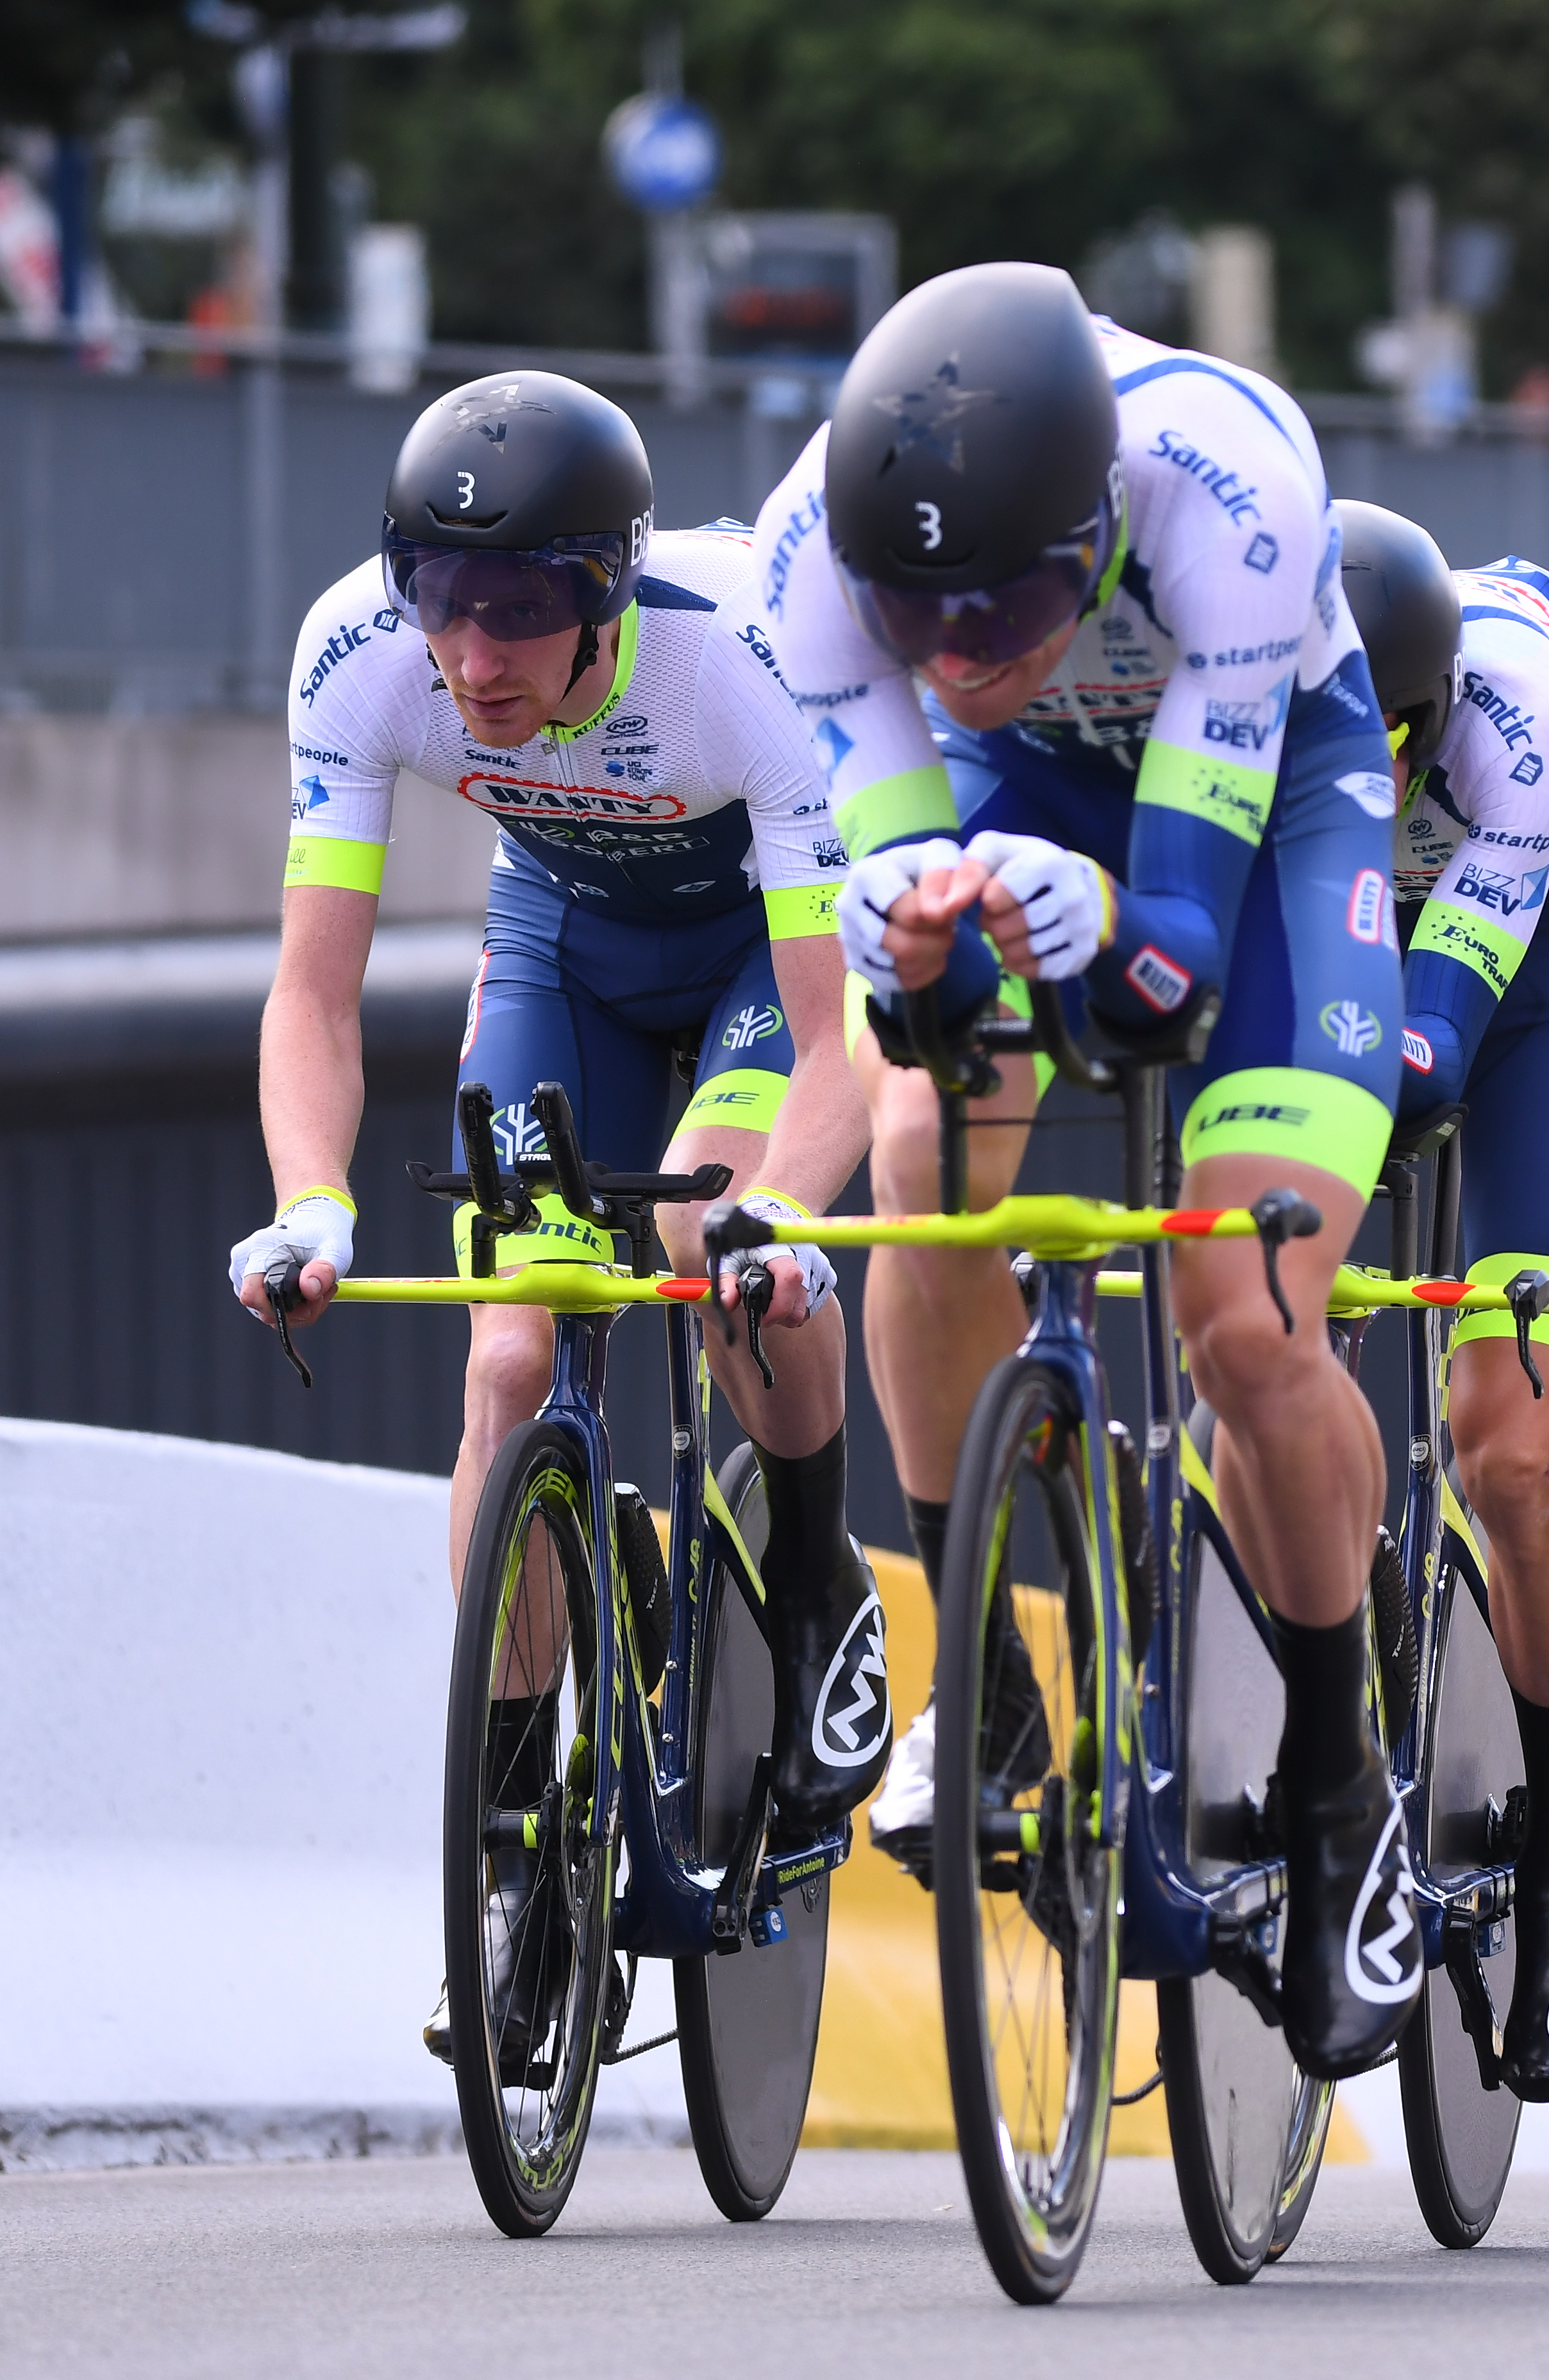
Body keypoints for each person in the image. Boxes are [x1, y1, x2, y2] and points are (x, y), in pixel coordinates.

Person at [726, 261, 1416, 2079]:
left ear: (1096, 523)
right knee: (918, 1146)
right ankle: (995, 1681)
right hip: (1020, 787)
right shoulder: (809, 556)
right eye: (918, 614)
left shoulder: (1232, 474)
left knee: (1245, 1317)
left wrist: (1105, 916)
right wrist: (922, 931)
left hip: (1260, 824)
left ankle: (1347, 1783)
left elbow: (1172, 955)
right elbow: (904, 934)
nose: (964, 642)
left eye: (1017, 597)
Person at [228, 369, 876, 2061]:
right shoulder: (358, 660)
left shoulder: (748, 656)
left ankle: (816, 1592)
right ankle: (520, 1861)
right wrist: (308, 1201)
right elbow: (313, 992)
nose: (472, 655)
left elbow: (834, 1038)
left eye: (520, 610)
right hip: (563, 954)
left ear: (609, 591)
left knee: (705, 1244)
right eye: (442, 602)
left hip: (756, 955)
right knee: (507, 1372)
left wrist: (782, 1215)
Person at [1355, 503, 1549, 2100]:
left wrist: (1382, 1068)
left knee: (1514, 1440)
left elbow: (1450, 995)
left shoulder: (1522, 698)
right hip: (1358, 923)